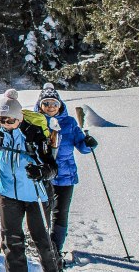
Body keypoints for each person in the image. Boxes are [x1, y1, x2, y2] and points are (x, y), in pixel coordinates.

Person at [0, 88, 60, 272]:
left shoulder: (34, 135)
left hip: (36, 195)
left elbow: (52, 168)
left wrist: (40, 171)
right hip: (8, 194)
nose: (5, 123)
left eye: (10, 120)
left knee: (42, 241)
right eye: (1, 119)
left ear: (19, 118)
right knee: (11, 241)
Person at [36, 82, 97, 262]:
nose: (50, 107)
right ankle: (42, 246)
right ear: (40, 105)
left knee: (61, 213)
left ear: (60, 105)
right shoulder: (34, 123)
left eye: (54, 103)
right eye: (46, 103)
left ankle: (55, 249)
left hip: (65, 176)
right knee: (41, 213)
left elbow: (82, 147)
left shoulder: (69, 123)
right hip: (42, 176)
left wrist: (88, 143)